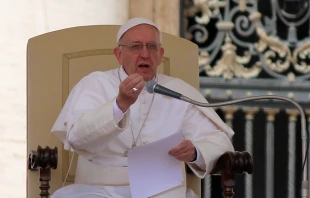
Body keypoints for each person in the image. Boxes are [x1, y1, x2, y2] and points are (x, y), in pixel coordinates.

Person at [50, 17, 234, 198]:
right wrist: (120, 104)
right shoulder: (95, 84)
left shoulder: (179, 91)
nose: (145, 54)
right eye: (136, 46)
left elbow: (217, 141)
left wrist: (195, 152)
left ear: (160, 55)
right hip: (98, 189)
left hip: (163, 191)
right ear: (119, 55)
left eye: (152, 47)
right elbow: (77, 138)